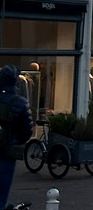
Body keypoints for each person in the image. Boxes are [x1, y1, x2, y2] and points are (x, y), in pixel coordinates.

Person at [0, 65, 32, 207]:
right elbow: (27, 131)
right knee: (2, 193)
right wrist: (14, 141)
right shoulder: (21, 102)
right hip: (7, 153)